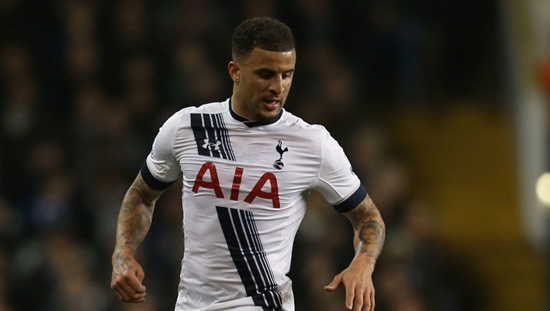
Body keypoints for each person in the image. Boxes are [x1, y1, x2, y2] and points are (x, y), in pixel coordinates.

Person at [110, 16, 385, 311]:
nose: (278, 87)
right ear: (235, 71)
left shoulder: (312, 143)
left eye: (287, 75)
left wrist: (363, 262)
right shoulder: (186, 128)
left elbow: (368, 217)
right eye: (266, 74)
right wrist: (123, 252)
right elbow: (141, 195)